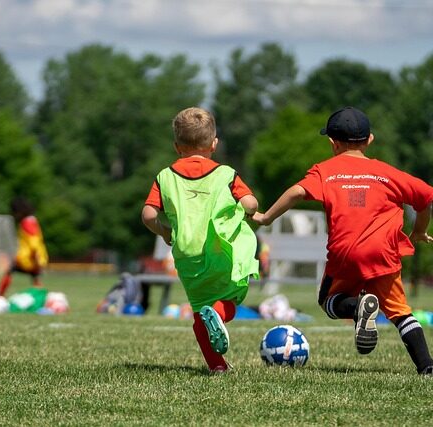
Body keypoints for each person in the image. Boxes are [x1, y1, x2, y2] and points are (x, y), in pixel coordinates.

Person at [253, 106, 433, 375]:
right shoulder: (387, 173)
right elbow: (426, 197)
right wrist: (418, 231)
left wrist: (267, 217)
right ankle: (427, 366)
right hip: (383, 255)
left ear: (332, 143)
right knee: (401, 313)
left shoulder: (325, 171)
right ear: (369, 140)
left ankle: (359, 306)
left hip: (345, 254)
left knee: (328, 300)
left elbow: (296, 191)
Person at [142, 107, 259, 373]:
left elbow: (148, 215)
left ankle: (217, 366)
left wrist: (163, 231)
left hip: (186, 255)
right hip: (220, 250)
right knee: (232, 297)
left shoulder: (165, 176)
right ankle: (219, 313)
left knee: (199, 312)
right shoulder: (226, 174)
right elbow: (251, 203)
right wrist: (249, 211)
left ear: (176, 146)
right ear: (214, 144)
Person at [0, 197, 49, 297]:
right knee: (35, 278)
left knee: (9, 271)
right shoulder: (33, 220)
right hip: (38, 257)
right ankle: (41, 298)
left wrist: (34, 256)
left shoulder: (26, 222)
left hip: (28, 258)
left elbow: (33, 241)